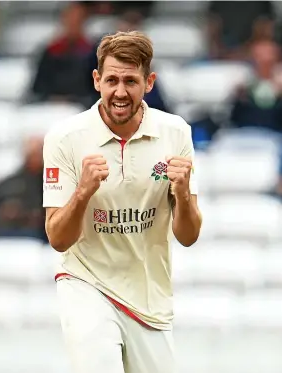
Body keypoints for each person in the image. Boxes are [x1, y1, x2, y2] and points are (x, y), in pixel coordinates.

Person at [43, 31, 202, 373]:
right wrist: (83, 192)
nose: (119, 92)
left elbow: (188, 236)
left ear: (149, 82)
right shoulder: (65, 138)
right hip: (86, 285)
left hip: (148, 298)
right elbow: (57, 238)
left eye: (131, 81)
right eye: (111, 80)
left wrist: (184, 193)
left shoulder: (175, 132)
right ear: (97, 80)